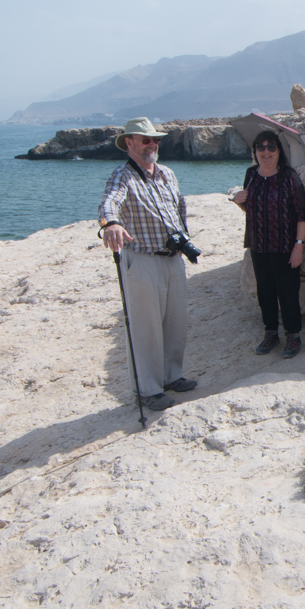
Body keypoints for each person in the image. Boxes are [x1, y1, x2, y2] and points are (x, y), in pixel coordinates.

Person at [99, 117, 198, 411]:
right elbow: (109, 203)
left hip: (171, 259)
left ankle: (171, 376)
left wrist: (183, 240)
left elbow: (179, 207)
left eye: (154, 140)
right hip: (142, 260)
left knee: (175, 322)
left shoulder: (166, 173)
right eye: (145, 140)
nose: (151, 145)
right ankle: (148, 389)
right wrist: (111, 223)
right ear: (129, 143)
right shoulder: (123, 176)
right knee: (146, 328)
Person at [234, 130, 305, 358]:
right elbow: (249, 209)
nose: (265, 152)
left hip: (285, 247)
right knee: (265, 292)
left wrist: (299, 245)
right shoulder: (251, 175)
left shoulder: (289, 177)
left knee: (288, 293)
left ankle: (293, 336)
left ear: (279, 151)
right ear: (255, 151)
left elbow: (303, 215)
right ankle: (270, 333)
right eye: (260, 147)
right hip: (259, 245)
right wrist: (239, 201)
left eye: (271, 147)